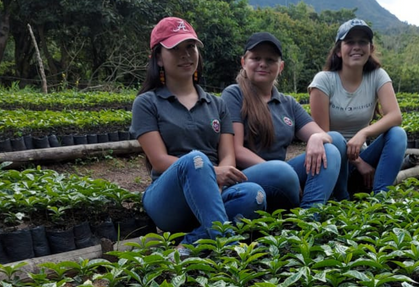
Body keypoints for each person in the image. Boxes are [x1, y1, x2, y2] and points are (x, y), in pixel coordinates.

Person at [130, 17, 266, 254]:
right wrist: (210, 171)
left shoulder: (217, 104)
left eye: (190, 47)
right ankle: (229, 247)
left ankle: (189, 245)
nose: (186, 55)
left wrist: (219, 177)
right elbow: (159, 161)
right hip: (168, 199)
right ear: (159, 58)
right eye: (175, 49)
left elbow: (228, 156)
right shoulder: (146, 103)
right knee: (197, 160)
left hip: (213, 192)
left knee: (255, 195)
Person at [221, 32, 345, 212]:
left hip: (284, 175)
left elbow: (324, 135)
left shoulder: (288, 103)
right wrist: (282, 173)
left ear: (281, 67)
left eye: (271, 60)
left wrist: (317, 138)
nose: (263, 64)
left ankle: (309, 218)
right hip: (248, 177)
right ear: (243, 62)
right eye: (256, 58)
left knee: (333, 145)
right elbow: (236, 150)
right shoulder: (234, 94)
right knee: (282, 172)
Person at [309, 19, 407, 199]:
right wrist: (358, 162)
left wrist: (363, 133)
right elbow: (323, 135)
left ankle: (381, 200)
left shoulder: (377, 76)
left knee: (398, 133)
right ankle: (341, 198)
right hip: (334, 162)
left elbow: (395, 116)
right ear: (339, 50)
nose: (357, 47)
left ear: (370, 49)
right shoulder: (323, 81)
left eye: (362, 42)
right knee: (336, 139)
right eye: (350, 42)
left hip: (363, 155)